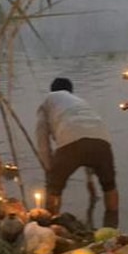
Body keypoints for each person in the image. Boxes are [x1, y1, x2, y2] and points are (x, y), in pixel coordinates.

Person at [35, 77, 119, 217]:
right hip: (102, 140)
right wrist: (90, 179)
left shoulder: (47, 101)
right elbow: (87, 135)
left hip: (70, 140)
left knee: (54, 189)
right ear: (70, 91)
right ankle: (113, 225)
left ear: (52, 90)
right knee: (109, 186)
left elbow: (42, 139)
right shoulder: (80, 102)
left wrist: (49, 169)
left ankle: (49, 224)